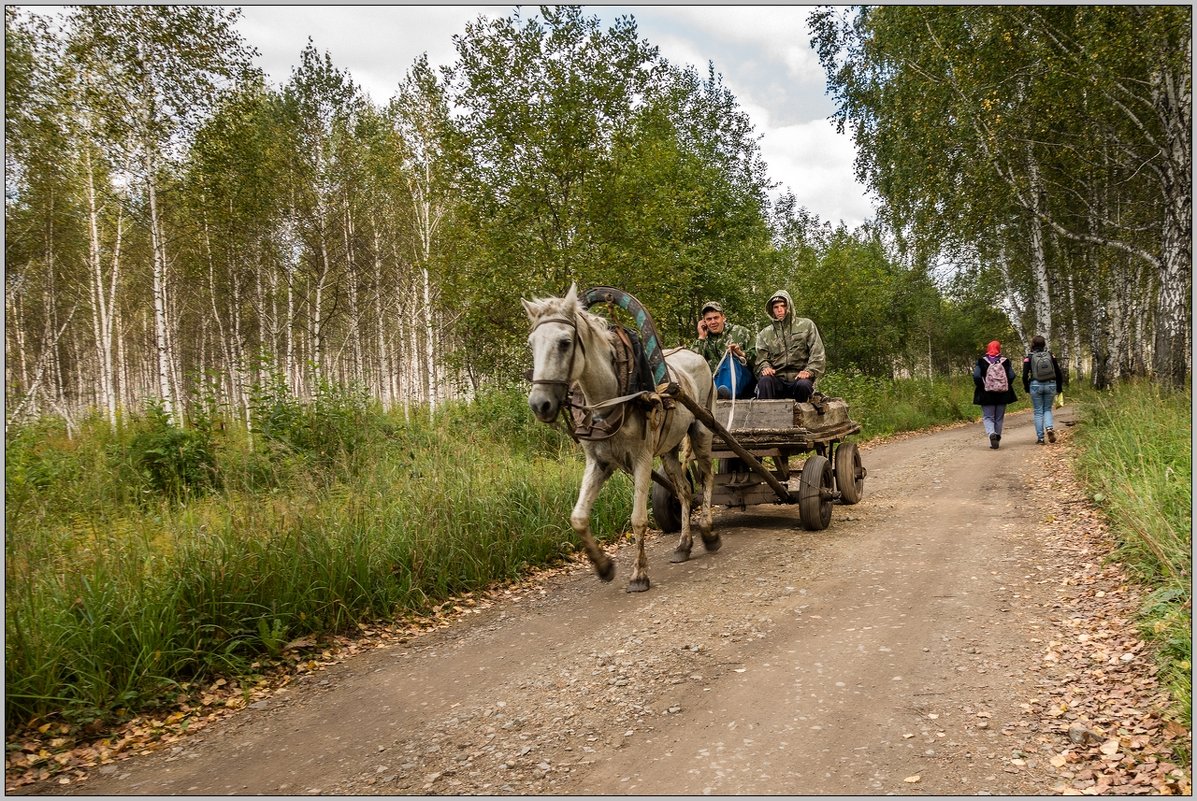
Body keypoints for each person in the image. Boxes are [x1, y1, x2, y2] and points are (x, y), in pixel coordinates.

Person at [753, 290, 826, 402]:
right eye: (776, 307)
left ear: (789, 307)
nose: (780, 309)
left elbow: (818, 353)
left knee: (804, 385)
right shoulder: (765, 334)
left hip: (799, 378)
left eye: (783, 306)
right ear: (772, 310)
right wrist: (765, 367)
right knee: (764, 381)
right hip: (777, 379)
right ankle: (765, 417)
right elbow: (760, 359)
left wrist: (809, 371)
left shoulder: (806, 326)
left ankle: (802, 417)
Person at [692, 300, 754, 399]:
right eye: (709, 319)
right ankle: (718, 393)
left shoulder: (741, 332)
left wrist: (741, 353)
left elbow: (757, 357)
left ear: (723, 318)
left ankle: (724, 393)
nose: (713, 322)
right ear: (704, 322)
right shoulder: (704, 340)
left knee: (730, 360)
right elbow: (692, 364)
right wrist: (701, 337)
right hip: (713, 383)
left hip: (742, 381)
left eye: (716, 318)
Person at [972, 340, 1018, 449]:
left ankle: (991, 434)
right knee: (999, 418)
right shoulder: (1005, 361)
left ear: (988, 348)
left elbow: (977, 376)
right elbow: (1012, 375)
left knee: (988, 417)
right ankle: (997, 437)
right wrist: (1005, 385)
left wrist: (982, 386)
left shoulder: (982, 361)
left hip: (986, 394)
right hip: (1002, 394)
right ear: (999, 348)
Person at [1022, 335, 1066, 445]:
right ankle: (1049, 428)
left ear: (1033, 344)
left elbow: (1024, 375)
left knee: (1038, 412)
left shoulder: (1029, 357)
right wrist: (1059, 388)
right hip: (1051, 384)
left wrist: (1027, 387)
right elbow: (1058, 372)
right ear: (1044, 344)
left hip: (1035, 385)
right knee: (1047, 409)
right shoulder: (1051, 356)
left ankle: (1041, 438)